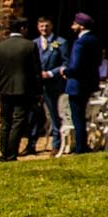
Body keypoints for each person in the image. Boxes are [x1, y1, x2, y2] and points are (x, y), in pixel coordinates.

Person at [0, 27, 43, 162]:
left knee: (5, 121)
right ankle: (12, 153)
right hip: (23, 89)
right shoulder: (30, 45)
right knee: (18, 121)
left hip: (5, 89)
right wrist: (38, 91)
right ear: (23, 29)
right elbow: (37, 71)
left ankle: (4, 152)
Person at [62, 13, 102, 154]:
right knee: (82, 114)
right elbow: (98, 62)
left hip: (77, 84)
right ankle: (82, 144)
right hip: (89, 83)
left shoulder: (80, 42)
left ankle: (80, 147)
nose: (72, 26)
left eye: (74, 24)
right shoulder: (95, 40)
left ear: (80, 26)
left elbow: (75, 66)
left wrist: (65, 72)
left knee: (77, 116)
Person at [33, 18, 68, 155]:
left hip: (53, 84)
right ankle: (31, 145)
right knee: (33, 115)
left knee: (54, 114)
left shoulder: (60, 42)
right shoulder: (34, 43)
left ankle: (56, 144)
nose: (44, 28)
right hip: (37, 84)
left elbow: (65, 63)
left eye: (47, 26)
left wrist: (50, 73)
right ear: (38, 27)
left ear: (51, 26)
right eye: (41, 26)